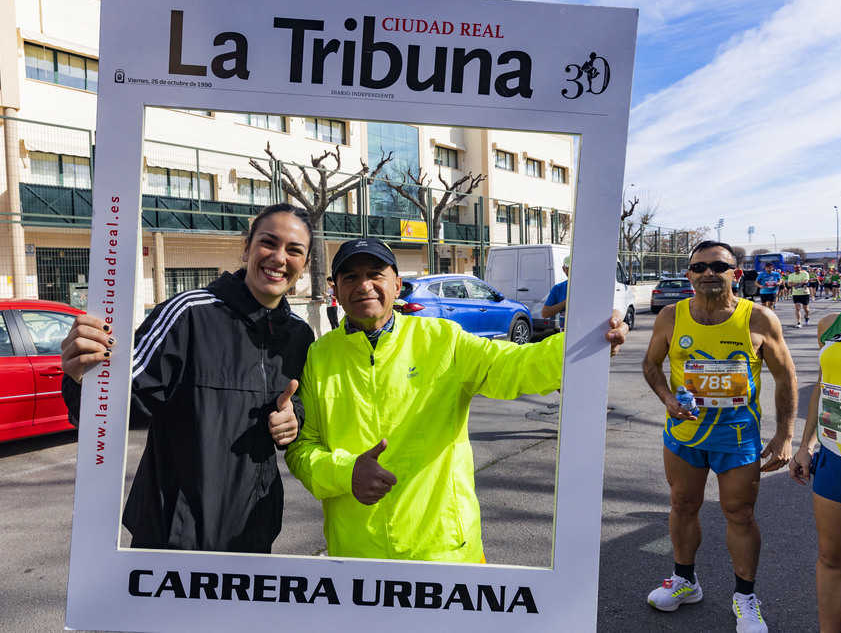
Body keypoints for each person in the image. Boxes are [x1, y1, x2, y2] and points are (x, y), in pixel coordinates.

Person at [285, 238, 628, 563]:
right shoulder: (318, 357)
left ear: (396, 282)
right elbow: (302, 450)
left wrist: (583, 346)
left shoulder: (441, 340)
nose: (364, 285)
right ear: (335, 288)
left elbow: (515, 366)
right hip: (358, 559)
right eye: (351, 276)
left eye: (376, 274)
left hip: (446, 551)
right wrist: (347, 473)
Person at [59, 203, 315, 552]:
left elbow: (294, 402)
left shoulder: (299, 336)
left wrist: (292, 419)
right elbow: (122, 402)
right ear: (247, 247)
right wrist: (81, 378)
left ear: (306, 263)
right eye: (268, 242)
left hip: (252, 535)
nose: (279, 257)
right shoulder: (188, 315)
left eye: (294, 250)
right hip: (172, 540)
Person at [642, 240, 797, 633]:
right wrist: (666, 399)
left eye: (718, 266)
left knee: (740, 515)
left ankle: (745, 597)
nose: (708, 273)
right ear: (689, 275)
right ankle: (685, 581)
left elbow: (785, 377)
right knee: (681, 504)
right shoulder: (671, 316)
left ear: (735, 273)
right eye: (698, 267)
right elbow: (650, 364)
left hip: (737, 438)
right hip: (684, 434)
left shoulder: (758, 318)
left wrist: (785, 435)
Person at [790, 240, 841, 633]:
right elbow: (823, 385)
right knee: (833, 559)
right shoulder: (830, 325)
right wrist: (805, 444)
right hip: (838, 459)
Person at [541, 255, 570, 329]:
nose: (573, 271)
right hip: (565, 336)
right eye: (570, 268)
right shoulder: (558, 288)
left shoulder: (587, 287)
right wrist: (567, 302)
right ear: (564, 269)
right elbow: (545, 313)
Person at [787, 263, 811, 328]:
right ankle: (799, 322)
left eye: (798, 267)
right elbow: (789, 284)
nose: (797, 269)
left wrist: (794, 283)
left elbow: (806, 281)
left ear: (800, 268)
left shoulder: (805, 273)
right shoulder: (791, 275)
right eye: (795, 268)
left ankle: (807, 316)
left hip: (804, 293)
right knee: (797, 308)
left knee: (806, 308)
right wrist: (798, 283)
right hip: (796, 293)